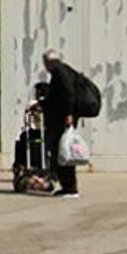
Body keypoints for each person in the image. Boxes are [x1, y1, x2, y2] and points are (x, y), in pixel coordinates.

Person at [42, 51, 84, 198]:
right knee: (63, 151)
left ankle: (70, 188)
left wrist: (68, 113)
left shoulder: (60, 72)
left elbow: (68, 93)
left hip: (61, 119)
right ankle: (67, 186)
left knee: (62, 152)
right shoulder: (64, 70)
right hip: (62, 117)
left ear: (48, 62)